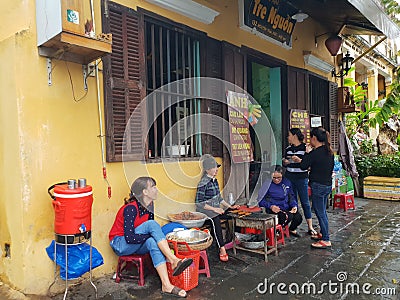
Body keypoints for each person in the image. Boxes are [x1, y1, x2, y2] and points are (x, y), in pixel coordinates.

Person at [109, 177, 193, 298]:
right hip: (120, 243)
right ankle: (173, 259)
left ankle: (166, 285)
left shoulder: (150, 205)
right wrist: (151, 234)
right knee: (152, 226)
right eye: (153, 187)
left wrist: (152, 237)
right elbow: (129, 238)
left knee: (153, 242)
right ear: (145, 192)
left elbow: (148, 235)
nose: (156, 190)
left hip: (135, 243)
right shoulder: (131, 208)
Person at [291, 127, 334, 249]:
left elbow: (304, 165)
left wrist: (307, 153)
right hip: (327, 184)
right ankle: (323, 233)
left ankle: (326, 239)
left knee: (320, 213)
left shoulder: (316, 152)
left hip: (318, 186)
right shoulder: (329, 152)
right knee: (323, 211)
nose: (310, 140)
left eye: (311, 138)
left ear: (314, 138)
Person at [195, 154, 240, 262]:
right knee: (216, 219)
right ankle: (221, 247)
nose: (216, 170)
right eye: (214, 168)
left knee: (233, 213)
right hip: (205, 211)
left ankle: (233, 238)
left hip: (216, 209)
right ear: (207, 170)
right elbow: (199, 203)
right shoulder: (203, 183)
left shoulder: (215, 181)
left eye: (216, 167)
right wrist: (215, 209)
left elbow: (219, 198)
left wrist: (230, 207)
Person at [282, 128, 316, 236]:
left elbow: (309, 165)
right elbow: (284, 162)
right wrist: (285, 162)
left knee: (305, 202)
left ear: (295, 136)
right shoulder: (288, 149)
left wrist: (300, 161)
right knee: (292, 201)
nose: (288, 137)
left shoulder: (305, 148)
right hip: (289, 177)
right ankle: (292, 225)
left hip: (301, 178)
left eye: (289, 135)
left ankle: (310, 226)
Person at [257, 165, 303, 236]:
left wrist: (294, 206)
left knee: (298, 217)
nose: (276, 180)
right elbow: (260, 200)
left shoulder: (287, 182)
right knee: (287, 216)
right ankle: (276, 231)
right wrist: (271, 206)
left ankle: (291, 229)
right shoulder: (267, 184)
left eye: (279, 178)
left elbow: (291, 196)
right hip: (274, 208)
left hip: (286, 206)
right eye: (274, 178)